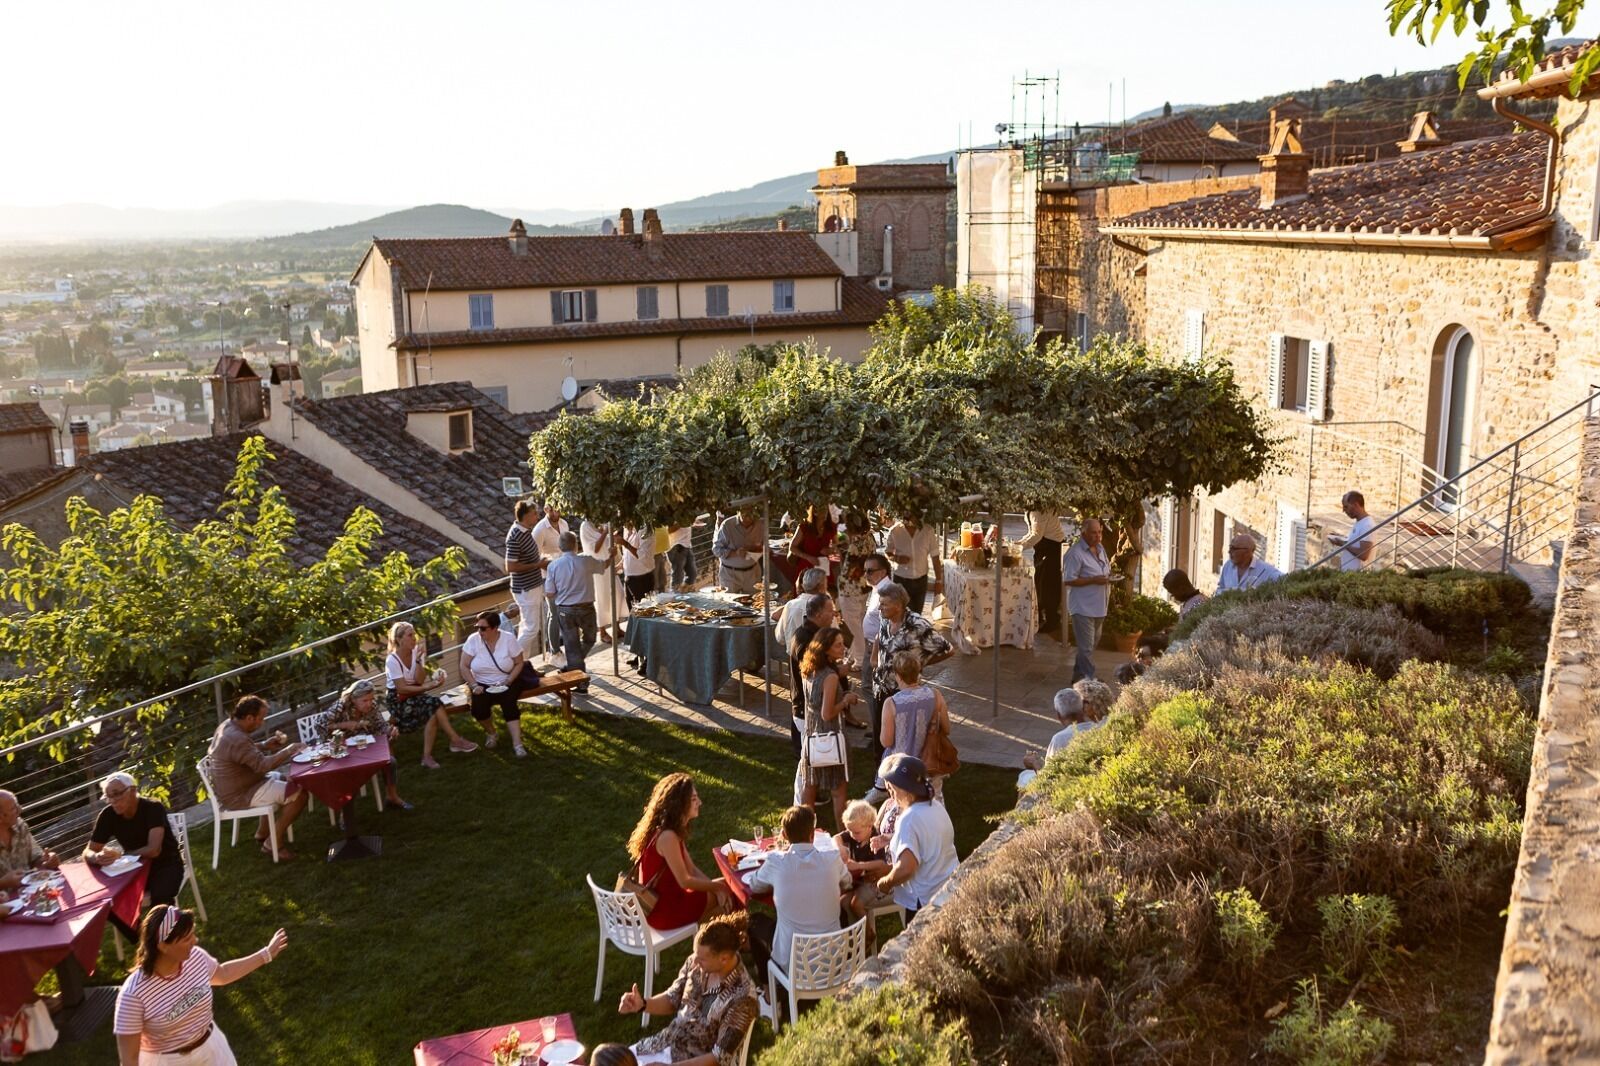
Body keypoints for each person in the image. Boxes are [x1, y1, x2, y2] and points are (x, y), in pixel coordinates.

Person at [113, 904, 287, 1066]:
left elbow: (223, 974)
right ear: (163, 946)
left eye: (193, 934)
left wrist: (267, 954)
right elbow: (129, 1058)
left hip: (212, 1049)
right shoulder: (133, 994)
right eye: (187, 938)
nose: (195, 941)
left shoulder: (195, 957)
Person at [620, 912, 757, 1066]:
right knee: (613, 1060)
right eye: (694, 954)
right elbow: (673, 998)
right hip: (663, 1043)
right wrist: (643, 1004)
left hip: (690, 1061)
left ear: (723, 958)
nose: (693, 962)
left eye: (701, 959)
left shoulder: (743, 998)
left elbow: (719, 1058)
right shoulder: (696, 962)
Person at [746, 805, 851, 986]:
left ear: (784, 836)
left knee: (754, 922)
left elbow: (754, 885)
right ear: (813, 834)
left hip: (794, 963)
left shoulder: (775, 863)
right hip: (833, 957)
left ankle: (770, 994)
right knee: (839, 911)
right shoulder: (832, 859)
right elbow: (847, 882)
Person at [0, 789, 83, 1016]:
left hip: (28, 898)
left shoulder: (20, 826)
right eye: (14, 808)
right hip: (4, 909)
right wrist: (3, 882)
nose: (19, 810)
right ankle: (29, 1001)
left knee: (58, 922)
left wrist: (47, 861)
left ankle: (70, 986)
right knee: (11, 948)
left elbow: (36, 857)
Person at [869, 582, 952, 795]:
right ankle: (883, 783)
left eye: (884, 604)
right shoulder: (885, 620)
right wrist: (875, 657)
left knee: (903, 741)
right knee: (882, 739)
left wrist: (920, 663)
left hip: (903, 692)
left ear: (898, 605)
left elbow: (948, 649)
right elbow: (881, 637)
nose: (880, 608)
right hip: (882, 688)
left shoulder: (918, 624)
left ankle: (904, 782)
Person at [206, 696, 309, 860]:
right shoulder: (237, 738)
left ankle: (262, 833)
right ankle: (273, 843)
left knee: (285, 779)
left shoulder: (228, 726)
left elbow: (243, 751)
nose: (262, 723)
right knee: (299, 795)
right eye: (260, 719)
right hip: (241, 794)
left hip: (240, 785)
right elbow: (263, 766)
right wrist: (289, 750)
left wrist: (264, 745)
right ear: (249, 718)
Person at [626, 773, 731, 933]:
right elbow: (685, 881)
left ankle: (714, 943)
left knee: (728, 887)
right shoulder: (668, 837)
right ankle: (728, 944)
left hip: (666, 903)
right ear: (680, 804)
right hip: (665, 912)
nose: (700, 802)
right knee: (731, 891)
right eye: (694, 799)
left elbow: (692, 869)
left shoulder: (669, 830)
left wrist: (715, 888)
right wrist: (717, 888)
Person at [87, 772, 185, 934]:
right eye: (109, 796)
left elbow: (154, 850)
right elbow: (88, 850)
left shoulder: (153, 808)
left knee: (161, 897)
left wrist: (122, 856)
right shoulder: (107, 815)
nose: (113, 800)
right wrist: (95, 857)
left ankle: (167, 937)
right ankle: (142, 936)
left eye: (117, 794)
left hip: (166, 864)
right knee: (106, 902)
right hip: (134, 868)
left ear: (132, 790)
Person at [874, 755, 958, 921]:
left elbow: (907, 869)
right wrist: (892, 839)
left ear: (905, 788)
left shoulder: (909, 819)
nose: (890, 794)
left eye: (892, 788)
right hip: (949, 891)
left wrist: (885, 883)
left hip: (925, 902)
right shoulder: (936, 807)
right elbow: (928, 845)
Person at [386, 621, 476, 770]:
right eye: (410, 635)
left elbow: (418, 680)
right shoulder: (392, 660)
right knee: (434, 707)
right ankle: (452, 742)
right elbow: (401, 688)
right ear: (399, 639)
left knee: (434, 705)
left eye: (414, 634)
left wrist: (419, 660)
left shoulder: (416, 652)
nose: (414, 638)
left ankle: (435, 752)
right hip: (398, 699)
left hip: (414, 693)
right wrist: (428, 686)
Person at [322, 679, 414, 810]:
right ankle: (346, 813)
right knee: (348, 773)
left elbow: (381, 726)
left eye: (371, 699)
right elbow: (320, 726)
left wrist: (390, 731)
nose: (369, 704)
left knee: (391, 762)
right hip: (343, 747)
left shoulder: (373, 706)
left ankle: (392, 796)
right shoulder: (339, 707)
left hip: (366, 744)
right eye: (365, 701)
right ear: (353, 699)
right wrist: (343, 725)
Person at [799, 627, 857, 830]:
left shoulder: (809, 670)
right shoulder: (830, 677)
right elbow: (827, 712)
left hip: (811, 735)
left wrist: (841, 669)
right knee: (838, 790)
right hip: (831, 736)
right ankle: (844, 838)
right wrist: (847, 699)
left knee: (810, 785)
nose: (843, 648)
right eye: (838, 645)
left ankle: (803, 833)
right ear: (826, 650)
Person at [879, 652, 951, 800]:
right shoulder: (935, 695)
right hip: (930, 763)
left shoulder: (891, 703)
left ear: (898, 675)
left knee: (904, 807)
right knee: (934, 803)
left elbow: (886, 741)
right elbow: (947, 728)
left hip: (901, 767)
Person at [459, 610, 530, 757]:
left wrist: (509, 680)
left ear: (495, 628)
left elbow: (519, 662)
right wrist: (474, 685)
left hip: (508, 680)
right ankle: (492, 733)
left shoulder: (508, 639)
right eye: (477, 627)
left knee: (509, 703)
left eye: (483, 628)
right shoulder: (473, 640)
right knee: (478, 709)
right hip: (481, 683)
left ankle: (518, 744)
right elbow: (463, 666)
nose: (479, 631)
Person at [545, 531, 606, 693]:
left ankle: (572, 665)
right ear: (576, 545)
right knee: (590, 639)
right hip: (586, 608)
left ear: (560, 547)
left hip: (565, 610)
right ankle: (581, 683)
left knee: (573, 647)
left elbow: (549, 593)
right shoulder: (586, 561)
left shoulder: (553, 566)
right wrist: (612, 555)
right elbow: (603, 566)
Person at [835, 799, 893, 952]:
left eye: (856, 832)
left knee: (855, 903)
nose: (853, 836)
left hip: (876, 880)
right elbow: (837, 837)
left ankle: (868, 933)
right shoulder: (855, 833)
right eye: (851, 831)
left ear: (869, 826)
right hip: (860, 881)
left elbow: (881, 864)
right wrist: (840, 847)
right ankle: (853, 939)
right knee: (841, 901)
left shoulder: (875, 840)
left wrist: (859, 865)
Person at [1018, 686, 1104, 787]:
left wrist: (1034, 764)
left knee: (1024, 777)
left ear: (1058, 716)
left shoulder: (1060, 739)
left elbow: (1049, 779)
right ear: (1083, 709)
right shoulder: (1100, 729)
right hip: (1097, 784)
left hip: (1070, 789)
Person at [1063, 517, 1112, 683]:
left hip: (1100, 606)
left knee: (1090, 647)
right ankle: (1091, 680)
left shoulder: (1100, 548)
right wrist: (1093, 580)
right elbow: (1068, 580)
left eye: (1099, 532)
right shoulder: (1075, 554)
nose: (1098, 536)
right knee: (1086, 648)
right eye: (1093, 532)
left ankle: (1078, 676)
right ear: (1084, 533)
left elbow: (1104, 572)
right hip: (1082, 608)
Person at [787, 594, 837, 758]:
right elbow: (813, 674)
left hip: (809, 707)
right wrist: (836, 671)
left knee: (811, 761)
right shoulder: (806, 639)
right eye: (831, 611)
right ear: (818, 614)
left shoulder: (812, 634)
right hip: (806, 709)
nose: (834, 614)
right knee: (810, 761)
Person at [505, 498, 551, 660]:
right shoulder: (516, 535)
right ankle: (516, 663)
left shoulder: (524, 532)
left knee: (526, 627)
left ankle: (523, 665)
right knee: (531, 629)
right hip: (526, 588)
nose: (537, 518)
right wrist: (538, 564)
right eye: (534, 514)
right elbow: (510, 567)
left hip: (531, 586)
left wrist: (539, 563)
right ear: (525, 516)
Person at [835, 511, 877, 664]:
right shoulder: (870, 538)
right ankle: (855, 654)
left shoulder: (853, 544)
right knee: (859, 620)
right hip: (864, 587)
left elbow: (848, 566)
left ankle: (860, 658)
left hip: (850, 589)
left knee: (853, 625)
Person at [532, 502, 571, 663]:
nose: (557, 512)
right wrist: (550, 564)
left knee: (568, 611)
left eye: (559, 509)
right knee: (553, 613)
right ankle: (554, 651)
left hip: (566, 574)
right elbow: (534, 556)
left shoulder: (564, 524)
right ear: (546, 509)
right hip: (548, 576)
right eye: (553, 509)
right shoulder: (540, 530)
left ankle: (569, 647)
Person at [1021, 508, 1067, 636]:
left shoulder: (1038, 510)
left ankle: (1052, 621)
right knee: (1039, 582)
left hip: (1052, 548)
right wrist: (1017, 543)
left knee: (1048, 585)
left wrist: (1019, 547)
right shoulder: (1033, 509)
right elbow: (1032, 532)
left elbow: (1036, 535)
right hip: (1044, 548)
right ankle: (1039, 617)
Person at [886, 514, 942, 615]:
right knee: (903, 615)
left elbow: (935, 556)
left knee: (916, 615)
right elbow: (888, 552)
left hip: (921, 582)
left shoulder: (928, 530)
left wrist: (938, 580)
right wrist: (897, 558)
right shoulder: (895, 531)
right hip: (901, 582)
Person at [581, 519, 623, 645]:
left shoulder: (601, 522)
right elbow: (594, 549)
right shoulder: (585, 526)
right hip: (596, 568)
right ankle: (603, 632)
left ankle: (617, 628)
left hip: (609, 564)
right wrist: (605, 532)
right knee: (601, 599)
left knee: (618, 594)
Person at [712, 507, 767, 594]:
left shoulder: (760, 524)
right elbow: (716, 550)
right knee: (729, 605)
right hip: (730, 575)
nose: (748, 519)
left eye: (751, 516)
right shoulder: (727, 525)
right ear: (738, 512)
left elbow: (765, 545)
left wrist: (758, 549)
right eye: (744, 515)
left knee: (754, 604)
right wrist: (736, 553)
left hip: (752, 573)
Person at [787, 504, 838, 591]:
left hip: (823, 567)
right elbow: (792, 547)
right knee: (805, 595)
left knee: (827, 594)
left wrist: (831, 550)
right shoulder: (804, 526)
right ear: (815, 512)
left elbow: (836, 544)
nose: (825, 513)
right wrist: (809, 557)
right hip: (806, 567)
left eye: (826, 510)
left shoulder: (831, 526)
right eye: (822, 511)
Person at [776, 568, 827, 647]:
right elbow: (835, 636)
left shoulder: (790, 605)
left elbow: (780, 638)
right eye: (826, 585)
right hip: (816, 656)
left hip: (794, 656)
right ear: (821, 587)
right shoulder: (824, 607)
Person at [1329, 491, 1377, 572]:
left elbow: (1363, 554)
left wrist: (1343, 544)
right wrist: (1340, 538)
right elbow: (1355, 542)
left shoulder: (1367, 525)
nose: (1343, 510)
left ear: (1356, 505)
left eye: (1346, 507)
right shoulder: (1360, 522)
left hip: (1358, 575)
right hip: (1350, 573)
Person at [1218, 533, 1283, 591]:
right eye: (1230, 547)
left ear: (1247, 552)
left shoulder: (1266, 571)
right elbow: (1220, 589)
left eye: (1234, 548)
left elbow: (1288, 581)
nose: (1229, 551)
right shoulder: (1228, 566)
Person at [666, 519, 702, 592]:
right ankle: (675, 598)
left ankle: (685, 594)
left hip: (686, 544)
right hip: (676, 546)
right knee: (678, 576)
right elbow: (667, 530)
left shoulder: (683, 511)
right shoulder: (669, 512)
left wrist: (692, 523)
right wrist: (685, 521)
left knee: (692, 574)